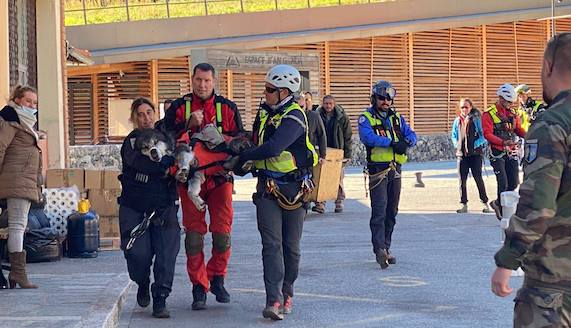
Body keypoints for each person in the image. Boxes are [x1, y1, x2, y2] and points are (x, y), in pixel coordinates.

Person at [491, 32, 571, 327]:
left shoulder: (553, 122)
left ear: (548, 66)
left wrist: (508, 259)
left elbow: (539, 204)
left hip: (555, 285)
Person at [229, 64, 318, 320]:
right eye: (266, 89)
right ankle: (273, 300)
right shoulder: (264, 114)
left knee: (291, 248)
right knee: (271, 245)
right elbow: (257, 143)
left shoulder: (295, 116)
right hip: (267, 188)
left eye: (269, 89)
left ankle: (287, 290)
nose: (265, 93)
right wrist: (238, 157)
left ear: (284, 91)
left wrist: (245, 156)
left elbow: (273, 147)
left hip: (295, 189)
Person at [166, 63, 244, 310]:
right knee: (194, 237)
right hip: (190, 180)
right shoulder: (179, 107)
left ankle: (217, 278)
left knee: (222, 235)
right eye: (198, 80)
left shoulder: (227, 108)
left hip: (220, 179)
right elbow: (164, 136)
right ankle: (198, 287)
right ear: (192, 80)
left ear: (214, 81)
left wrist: (226, 144)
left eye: (207, 81)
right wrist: (187, 125)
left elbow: (242, 140)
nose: (202, 85)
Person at [118, 97, 180, 318]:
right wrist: (161, 164)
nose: (146, 118)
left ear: (155, 114)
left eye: (149, 113)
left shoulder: (166, 138)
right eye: (140, 114)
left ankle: (160, 299)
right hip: (135, 207)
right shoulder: (132, 142)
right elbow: (137, 162)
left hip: (164, 206)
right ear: (134, 118)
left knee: (166, 255)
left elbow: (179, 158)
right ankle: (142, 281)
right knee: (138, 255)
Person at [358, 80, 416, 269]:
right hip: (378, 170)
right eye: (382, 98)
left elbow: (411, 134)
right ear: (374, 98)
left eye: (388, 98)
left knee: (392, 210)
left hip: (396, 169)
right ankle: (379, 249)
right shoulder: (366, 117)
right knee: (379, 210)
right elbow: (367, 137)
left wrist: (407, 142)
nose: (385, 101)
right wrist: (391, 142)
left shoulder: (398, 118)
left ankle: (387, 246)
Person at [0, 85, 41, 289]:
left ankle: (17, 273)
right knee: (17, 226)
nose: (32, 106)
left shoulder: (25, 122)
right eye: (28, 101)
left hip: (23, 181)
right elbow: (0, 147)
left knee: (19, 226)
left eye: (34, 103)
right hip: (15, 180)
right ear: (17, 100)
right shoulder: (11, 120)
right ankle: (18, 273)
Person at [482, 83, 526, 220]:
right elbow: (487, 134)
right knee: (503, 181)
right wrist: (502, 142)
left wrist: (532, 135)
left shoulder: (513, 114)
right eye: (507, 102)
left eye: (511, 102)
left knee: (514, 183)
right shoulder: (488, 114)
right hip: (497, 152)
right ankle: (502, 210)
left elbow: (518, 129)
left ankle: (497, 203)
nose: (509, 104)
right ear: (500, 98)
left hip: (511, 151)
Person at [451, 98, 493, 214]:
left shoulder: (476, 119)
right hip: (461, 155)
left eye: (466, 107)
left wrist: (475, 144)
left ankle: (485, 203)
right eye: (462, 107)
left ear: (471, 107)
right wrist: (457, 144)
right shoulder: (457, 121)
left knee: (478, 179)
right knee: (462, 181)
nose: (464, 109)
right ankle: (464, 204)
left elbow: (483, 135)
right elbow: (454, 135)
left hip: (475, 155)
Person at [312, 95, 352, 213]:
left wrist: (347, 153)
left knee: (337, 177)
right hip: (322, 150)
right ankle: (320, 203)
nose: (328, 106)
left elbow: (348, 136)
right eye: (326, 103)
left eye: (330, 103)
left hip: (337, 151)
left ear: (334, 104)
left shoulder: (342, 117)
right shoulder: (317, 116)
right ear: (322, 104)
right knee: (320, 177)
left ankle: (339, 201)